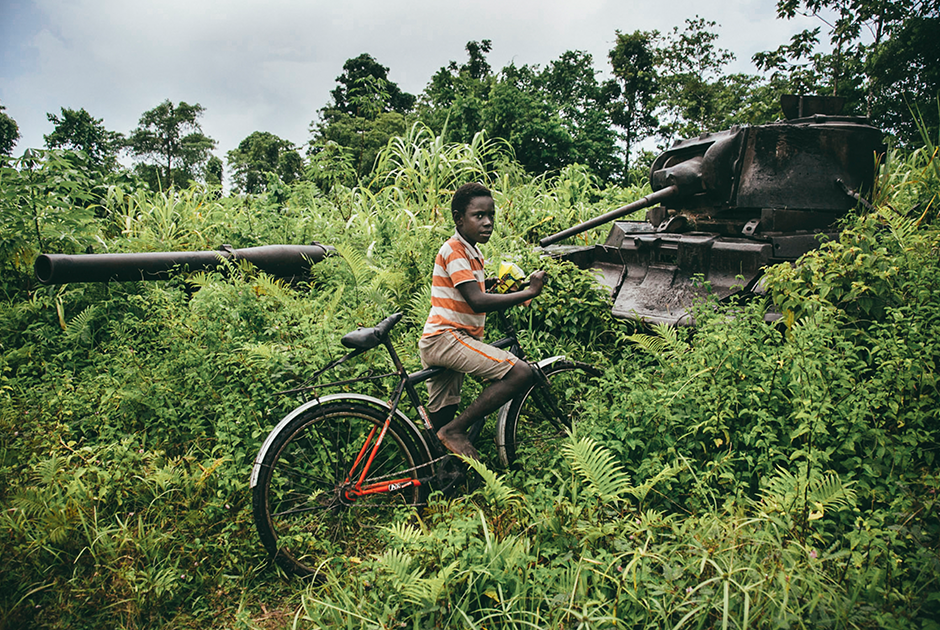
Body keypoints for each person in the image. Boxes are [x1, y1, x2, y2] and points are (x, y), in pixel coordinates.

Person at [419, 182, 546, 459]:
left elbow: (467, 289)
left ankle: (440, 471)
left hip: (443, 339)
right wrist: (529, 291)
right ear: (458, 219)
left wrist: (494, 285)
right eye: (479, 215)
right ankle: (457, 431)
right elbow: (476, 300)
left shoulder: (471, 251)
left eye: (491, 215)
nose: (488, 222)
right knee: (520, 372)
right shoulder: (454, 249)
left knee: (443, 416)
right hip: (448, 338)